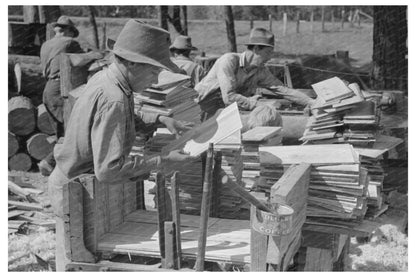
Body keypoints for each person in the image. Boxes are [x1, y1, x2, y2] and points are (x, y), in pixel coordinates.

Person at [48, 19, 195, 271]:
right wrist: (163, 161)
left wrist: (160, 117)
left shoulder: (110, 80)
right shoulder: (114, 97)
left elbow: (128, 115)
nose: (156, 79)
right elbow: (108, 169)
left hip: (77, 185)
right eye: (153, 71)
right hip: (75, 192)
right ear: (131, 63)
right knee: (78, 265)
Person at [195, 27, 315, 121]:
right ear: (256, 49)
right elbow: (229, 97)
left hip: (220, 112)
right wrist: (261, 105)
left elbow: (284, 90)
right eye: (268, 52)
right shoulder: (229, 61)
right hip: (197, 111)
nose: (270, 57)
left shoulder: (260, 70)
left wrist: (312, 103)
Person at [39, 15, 103, 176]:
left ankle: (53, 166)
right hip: (61, 88)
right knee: (71, 131)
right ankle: (50, 163)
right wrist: (95, 55)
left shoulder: (46, 45)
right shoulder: (70, 43)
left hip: (48, 89)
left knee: (61, 132)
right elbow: (77, 60)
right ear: (67, 30)